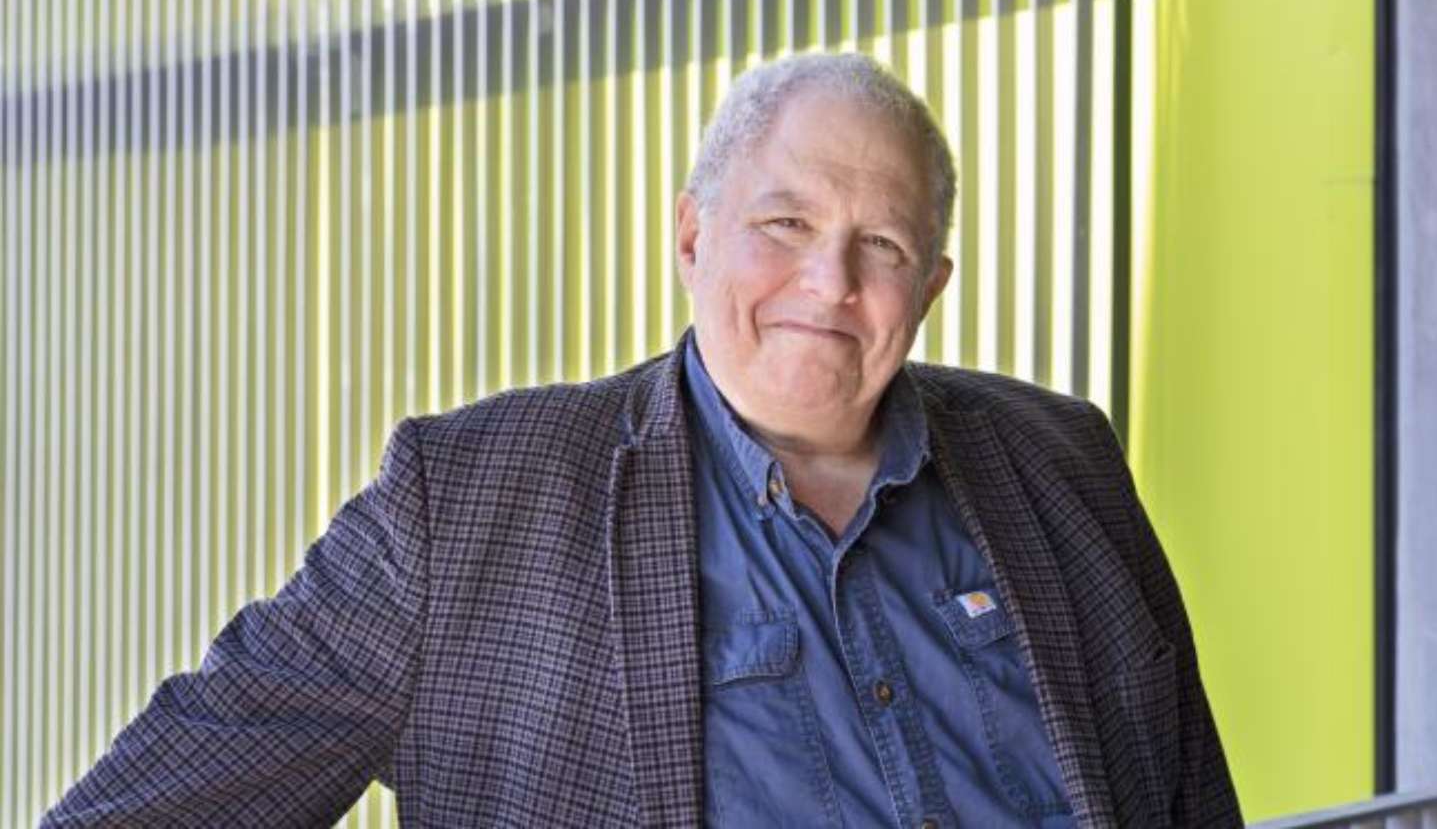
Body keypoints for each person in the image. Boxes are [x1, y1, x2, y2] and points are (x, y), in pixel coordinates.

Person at [46, 52, 1240, 828]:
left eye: (879, 246)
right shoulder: (468, 504)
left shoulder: (1060, 461)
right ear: (690, 234)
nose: (827, 282)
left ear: (926, 286)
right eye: (784, 222)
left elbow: (1190, 798)